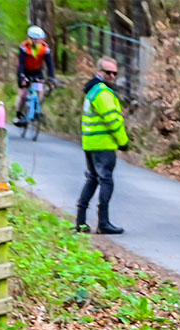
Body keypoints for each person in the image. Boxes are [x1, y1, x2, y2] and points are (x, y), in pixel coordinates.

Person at [75, 56, 128, 235]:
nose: (112, 75)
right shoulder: (102, 93)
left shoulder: (92, 90)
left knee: (92, 178)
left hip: (90, 143)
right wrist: (123, 141)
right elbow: (112, 119)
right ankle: (103, 222)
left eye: (115, 73)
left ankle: (81, 220)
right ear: (99, 72)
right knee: (106, 180)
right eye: (108, 72)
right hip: (103, 143)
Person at [15, 25, 55, 127]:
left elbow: (50, 65)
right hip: (24, 70)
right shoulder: (24, 48)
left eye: (39, 39)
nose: (37, 42)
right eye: (35, 39)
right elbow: (21, 64)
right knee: (23, 93)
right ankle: (19, 113)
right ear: (30, 39)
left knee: (40, 89)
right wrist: (22, 76)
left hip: (37, 71)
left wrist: (51, 78)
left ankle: (37, 109)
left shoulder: (45, 49)